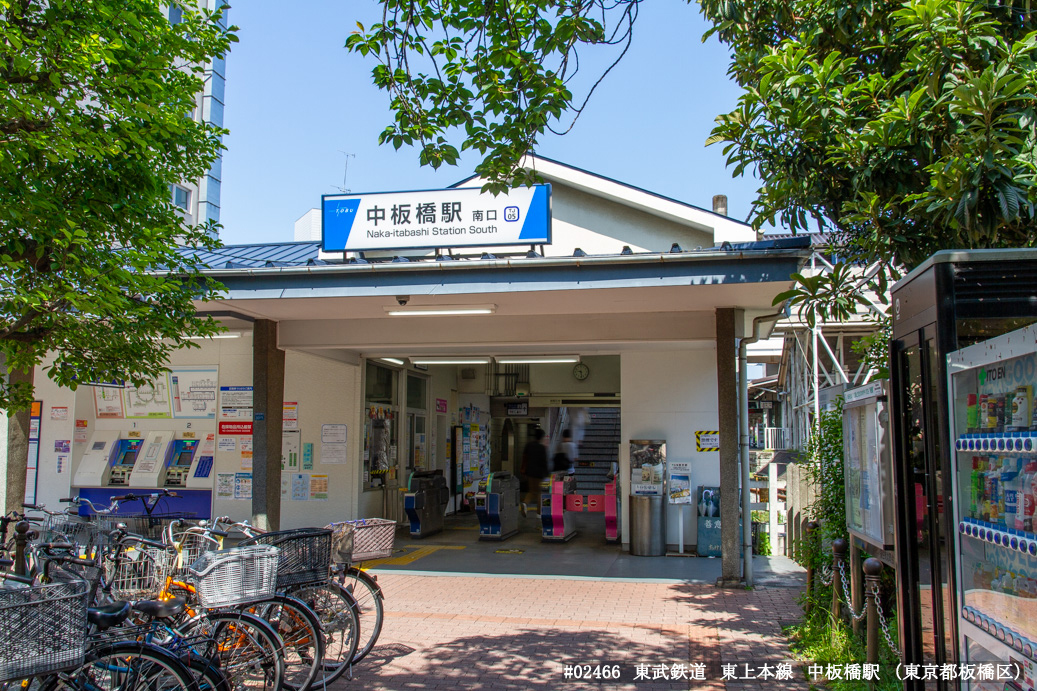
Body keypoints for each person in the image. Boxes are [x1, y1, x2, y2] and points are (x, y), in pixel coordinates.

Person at [520, 428, 548, 517]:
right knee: (540, 493)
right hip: (539, 474)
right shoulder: (542, 448)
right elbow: (544, 462)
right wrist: (547, 473)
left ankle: (525, 503)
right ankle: (539, 513)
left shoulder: (529, 445)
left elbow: (524, 458)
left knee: (532, 491)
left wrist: (524, 470)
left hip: (530, 472)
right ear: (542, 437)